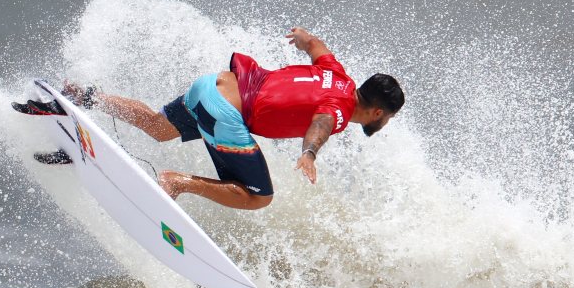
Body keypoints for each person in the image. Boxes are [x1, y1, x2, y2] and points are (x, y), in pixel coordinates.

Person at [62, 27, 404, 210]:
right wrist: (309, 153)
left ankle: (87, 97)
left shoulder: (337, 73)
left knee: (156, 126)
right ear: (377, 112)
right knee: (259, 197)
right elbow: (321, 124)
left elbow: (315, 43)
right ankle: (175, 182)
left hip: (213, 84)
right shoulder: (341, 110)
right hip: (225, 113)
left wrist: (301, 38)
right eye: (387, 118)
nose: (384, 123)